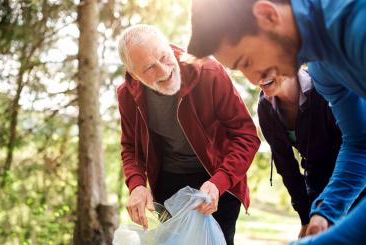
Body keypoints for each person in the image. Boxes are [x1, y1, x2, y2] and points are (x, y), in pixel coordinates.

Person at [187, 0, 366, 236]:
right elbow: (360, 145)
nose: (253, 80)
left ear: (267, 14)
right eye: (240, 70)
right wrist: (326, 212)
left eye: (247, 62)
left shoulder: (355, 24)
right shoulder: (321, 71)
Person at [116, 24, 260, 245]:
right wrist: (136, 185)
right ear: (134, 74)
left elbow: (246, 136)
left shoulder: (209, 73)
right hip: (168, 186)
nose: (164, 72)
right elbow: (130, 148)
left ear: (169, 47)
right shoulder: (127, 95)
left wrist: (219, 182)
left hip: (218, 180)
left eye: (164, 57)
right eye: (149, 68)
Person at [257, 68, 365, 238]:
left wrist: (328, 210)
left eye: (263, 64)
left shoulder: (326, 85)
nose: (257, 76)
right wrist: (306, 217)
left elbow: (357, 149)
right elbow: (286, 167)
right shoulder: (265, 107)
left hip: (354, 180)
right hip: (317, 184)